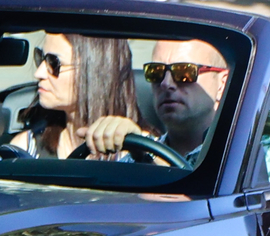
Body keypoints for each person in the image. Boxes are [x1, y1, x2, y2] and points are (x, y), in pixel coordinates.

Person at [86, 38, 228, 163]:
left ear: (222, 83)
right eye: (156, 72)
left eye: (184, 72)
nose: (166, 83)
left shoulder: (238, 159)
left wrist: (146, 156)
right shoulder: (134, 161)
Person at [10, 33, 142, 158]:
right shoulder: (26, 148)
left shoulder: (140, 150)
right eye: (40, 57)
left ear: (96, 71)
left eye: (53, 63)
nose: (39, 73)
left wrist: (139, 150)